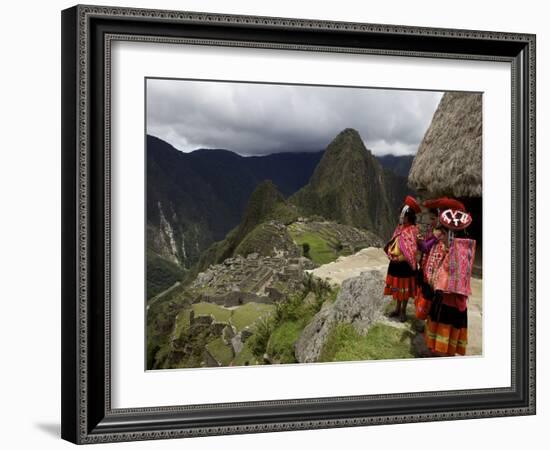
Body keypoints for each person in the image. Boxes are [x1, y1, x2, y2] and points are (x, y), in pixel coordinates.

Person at [422, 198, 476, 356]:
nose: (441, 237)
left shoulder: (458, 252)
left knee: (445, 327)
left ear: (451, 234)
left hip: (449, 299)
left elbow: (452, 277)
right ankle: (441, 352)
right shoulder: (454, 249)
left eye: (444, 234)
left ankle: (442, 354)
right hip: (445, 297)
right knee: (442, 328)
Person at [383, 195, 421, 322]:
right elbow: (394, 241)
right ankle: (397, 308)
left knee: (404, 290)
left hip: (405, 265)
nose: (401, 217)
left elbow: (412, 248)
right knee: (397, 288)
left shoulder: (413, 230)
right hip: (396, 264)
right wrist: (392, 253)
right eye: (401, 215)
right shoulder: (400, 228)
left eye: (403, 215)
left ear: (409, 216)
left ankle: (403, 310)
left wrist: (403, 257)